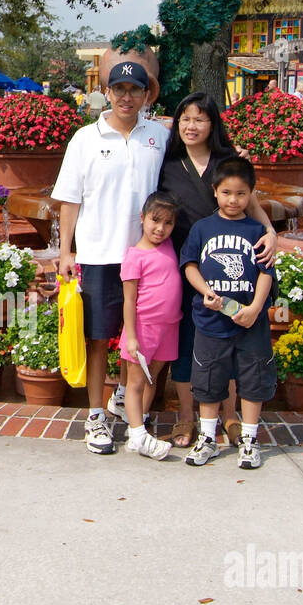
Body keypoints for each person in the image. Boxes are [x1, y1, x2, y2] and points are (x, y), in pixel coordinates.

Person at [54, 60, 168, 455]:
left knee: (138, 337)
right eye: (118, 88)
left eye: (134, 90)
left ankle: (123, 397)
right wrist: (67, 251)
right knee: (99, 338)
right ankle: (96, 414)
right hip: (100, 255)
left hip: (147, 258)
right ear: (108, 91)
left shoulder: (158, 137)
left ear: (146, 94)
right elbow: (70, 199)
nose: (126, 96)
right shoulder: (85, 138)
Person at [157, 91, 276, 449]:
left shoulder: (227, 160)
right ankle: (187, 417)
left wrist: (270, 233)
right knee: (188, 342)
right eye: (185, 119)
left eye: (200, 119)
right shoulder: (167, 162)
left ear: (213, 123)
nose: (192, 126)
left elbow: (251, 204)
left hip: (231, 268)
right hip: (183, 264)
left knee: (229, 337)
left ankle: (228, 415)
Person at [178, 156, 276, 470]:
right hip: (210, 320)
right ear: (215, 191)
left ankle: (249, 438)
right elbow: (190, 264)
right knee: (208, 379)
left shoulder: (257, 229)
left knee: (252, 378)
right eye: (226, 193)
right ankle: (207, 437)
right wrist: (203, 289)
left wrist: (256, 308)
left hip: (250, 323)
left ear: (251, 194)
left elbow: (266, 272)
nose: (233, 200)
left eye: (241, 194)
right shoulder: (203, 228)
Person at [120, 192, 183, 461]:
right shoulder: (134, 256)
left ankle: (140, 426)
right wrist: (131, 336)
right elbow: (129, 300)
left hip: (169, 326)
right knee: (135, 383)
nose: (160, 228)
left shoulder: (168, 246)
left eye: (168, 223)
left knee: (151, 378)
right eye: (155, 220)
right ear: (142, 218)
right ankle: (137, 434)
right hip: (143, 328)